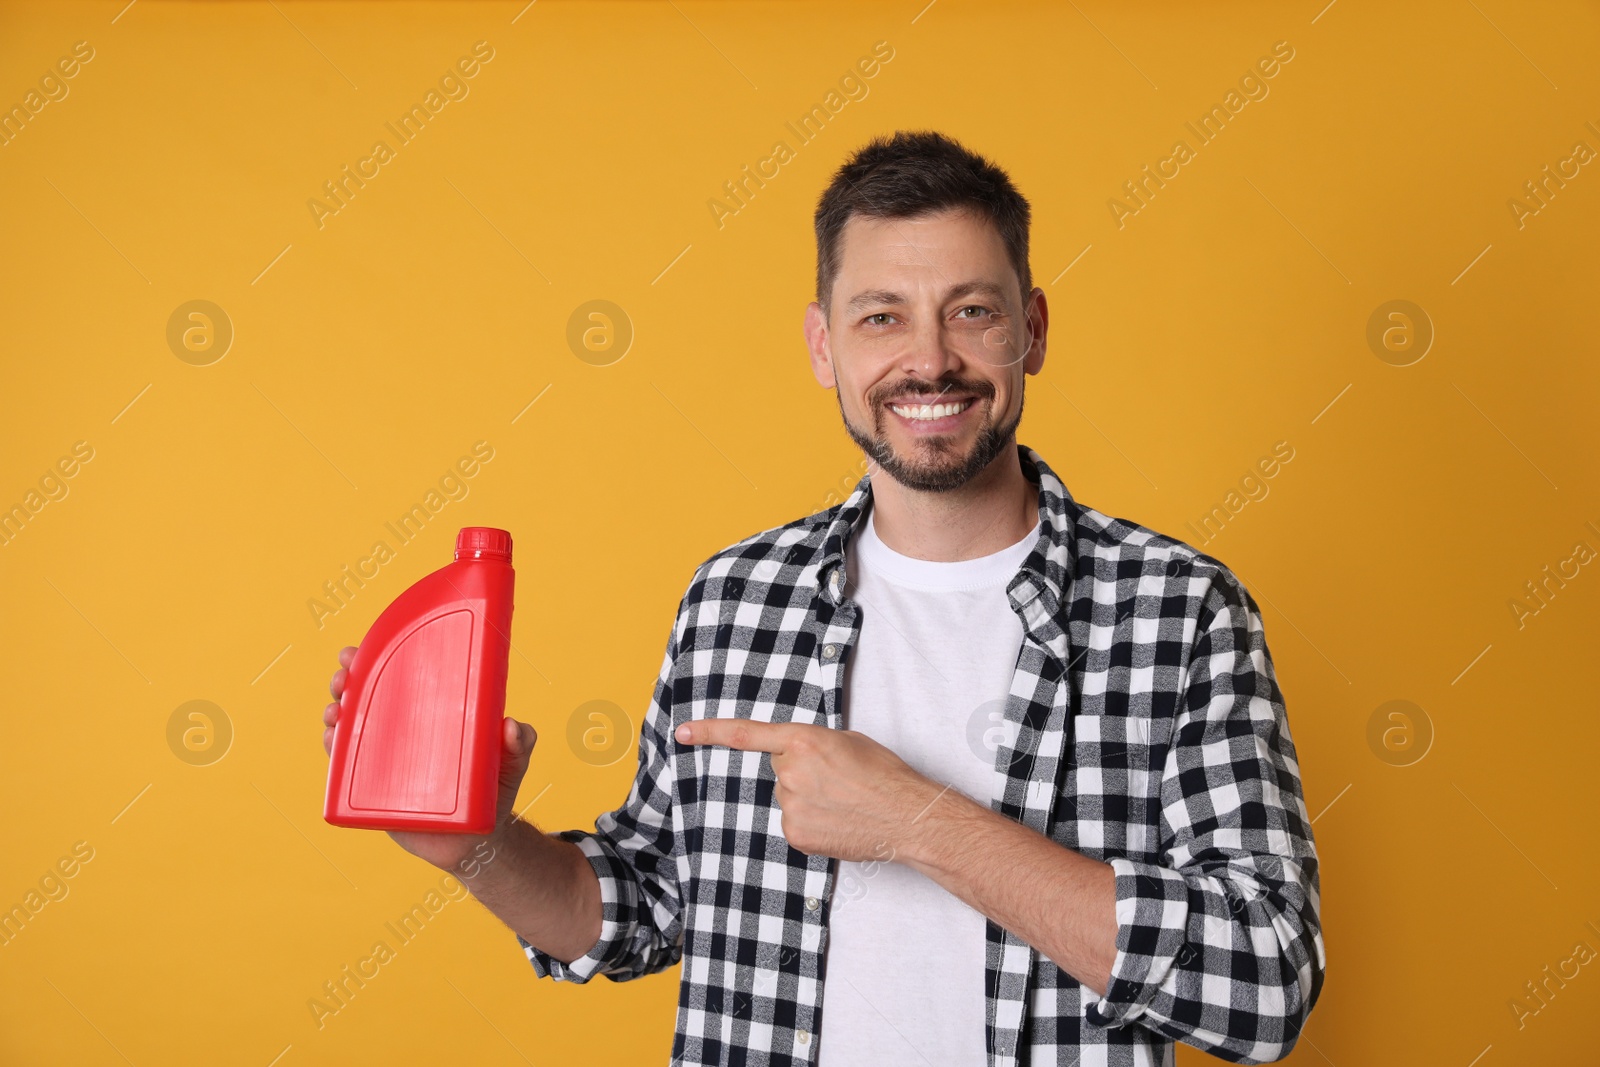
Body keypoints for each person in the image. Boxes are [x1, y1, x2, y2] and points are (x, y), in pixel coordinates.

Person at [322, 129, 1324, 1066]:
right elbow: (646, 906)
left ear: (1032, 331)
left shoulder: (1178, 608)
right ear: (822, 345)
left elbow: (1266, 975)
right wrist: (481, 848)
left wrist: (919, 820)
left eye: (971, 311)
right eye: (880, 316)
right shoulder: (735, 598)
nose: (928, 358)